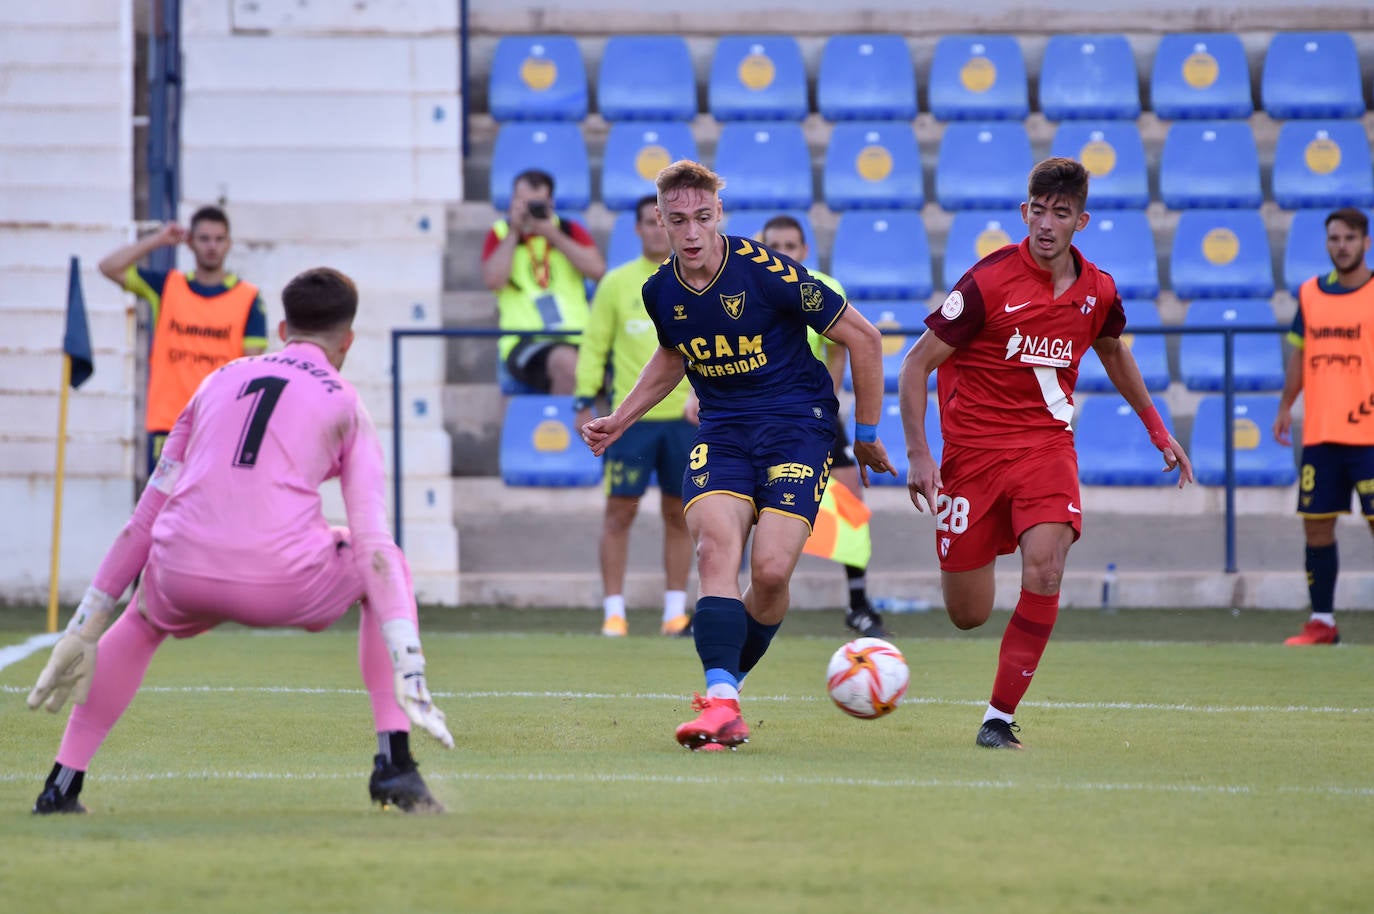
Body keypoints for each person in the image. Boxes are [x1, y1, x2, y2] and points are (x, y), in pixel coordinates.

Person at [26, 267, 455, 814]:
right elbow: (373, 544)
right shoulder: (346, 403)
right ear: (347, 341)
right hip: (282, 582)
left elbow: (144, 518)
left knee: (141, 618)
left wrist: (86, 623)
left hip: (182, 573)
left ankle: (61, 785)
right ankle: (394, 763)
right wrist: (408, 658)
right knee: (387, 559)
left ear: (282, 330)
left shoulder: (216, 381)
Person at [581, 161, 894, 751]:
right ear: (660, 222)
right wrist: (621, 418)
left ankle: (730, 683)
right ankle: (722, 702)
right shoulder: (659, 291)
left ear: (719, 214)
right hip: (723, 430)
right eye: (678, 220)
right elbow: (673, 356)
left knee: (770, 574)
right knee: (713, 550)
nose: (692, 231)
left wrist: (867, 432)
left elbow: (864, 337)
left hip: (797, 427)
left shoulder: (769, 271)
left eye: (702, 217)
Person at [898, 157, 1194, 750]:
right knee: (967, 614)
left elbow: (1113, 350)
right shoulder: (987, 282)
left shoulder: (1098, 290)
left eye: (1060, 213)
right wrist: (920, 455)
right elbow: (914, 365)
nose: (1046, 224)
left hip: (1046, 448)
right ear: (1024, 212)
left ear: (1081, 221)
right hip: (972, 456)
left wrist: (1157, 428)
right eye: (1038, 211)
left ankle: (997, 719)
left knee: (1047, 567)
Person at [760, 214, 889, 639]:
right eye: (774, 245)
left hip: (811, 414)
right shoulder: (746, 288)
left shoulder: (821, 288)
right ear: (762, 249)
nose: (782, 253)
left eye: (790, 246)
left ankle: (858, 602)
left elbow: (839, 350)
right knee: (743, 507)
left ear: (804, 251)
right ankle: (734, 598)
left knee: (849, 496)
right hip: (759, 415)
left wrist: (825, 405)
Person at [574, 195, 696, 638]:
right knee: (619, 513)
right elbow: (594, 344)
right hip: (630, 422)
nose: (656, 230)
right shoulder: (616, 283)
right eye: (648, 222)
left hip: (685, 420)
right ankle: (614, 612)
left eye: (661, 222)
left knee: (679, 514)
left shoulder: (692, 279)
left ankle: (674, 612)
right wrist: (584, 397)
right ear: (639, 228)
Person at [98, 206, 269, 477]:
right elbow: (109, 267)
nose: (212, 246)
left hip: (219, 427)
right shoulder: (168, 287)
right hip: (169, 426)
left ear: (229, 243)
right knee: (164, 502)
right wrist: (158, 239)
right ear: (189, 242)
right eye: (204, 238)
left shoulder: (248, 298)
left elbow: (251, 369)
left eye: (219, 239)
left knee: (212, 503)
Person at [1272, 207, 1374, 646]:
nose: (1342, 246)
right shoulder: (1310, 293)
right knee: (1316, 526)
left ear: (1365, 242)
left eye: (1349, 238)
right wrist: (1285, 405)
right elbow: (1300, 354)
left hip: (1369, 435)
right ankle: (1322, 622)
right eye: (1334, 238)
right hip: (1322, 433)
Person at [481, 168, 606, 394]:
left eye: (536, 203)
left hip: (579, 337)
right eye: (523, 202)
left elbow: (597, 271)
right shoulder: (501, 233)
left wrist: (552, 234)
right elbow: (493, 281)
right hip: (525, 340)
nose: (529, 209)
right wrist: (514, 232)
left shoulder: (568, 230)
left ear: (551, 203)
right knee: (568, 364)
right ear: (512, 202)